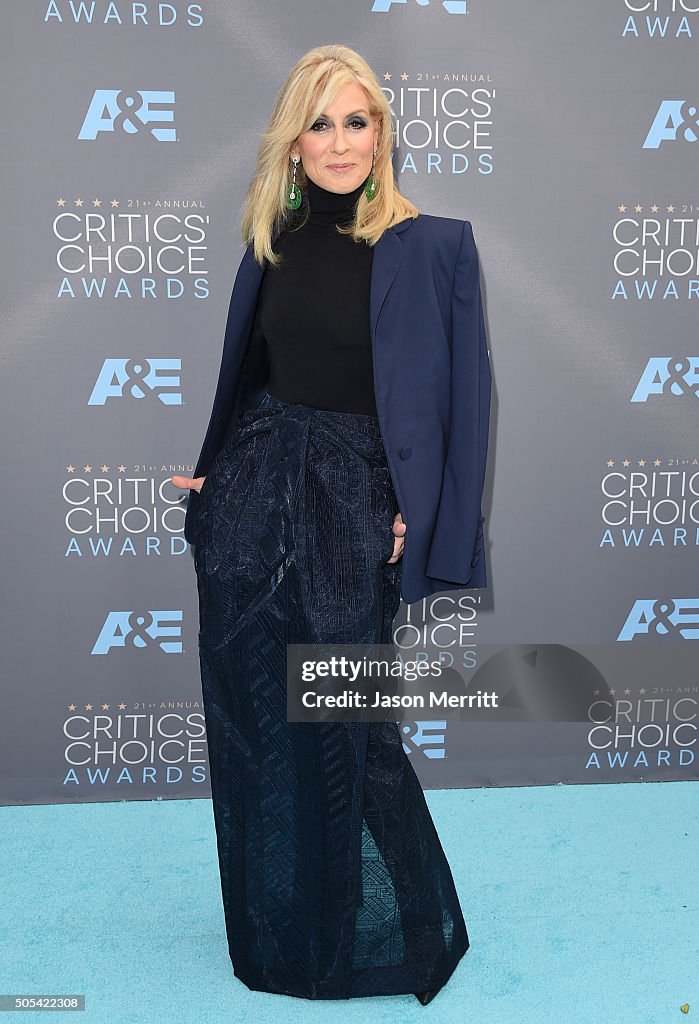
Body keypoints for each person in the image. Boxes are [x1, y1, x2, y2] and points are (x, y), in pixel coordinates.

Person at [172, 43, 491, 1004]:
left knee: (350, 725)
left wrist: (422, 516)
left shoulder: (436, 245)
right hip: (253, 497)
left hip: (356, 503)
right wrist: (216, 475)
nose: (340, 140)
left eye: (357, 120)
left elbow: (464, 405)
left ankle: (405, 937)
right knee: (253, 719)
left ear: (381, 134)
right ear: (293, 141)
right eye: (320, 122)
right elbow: (253, 377)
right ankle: (282, 941)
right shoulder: (269, 238)